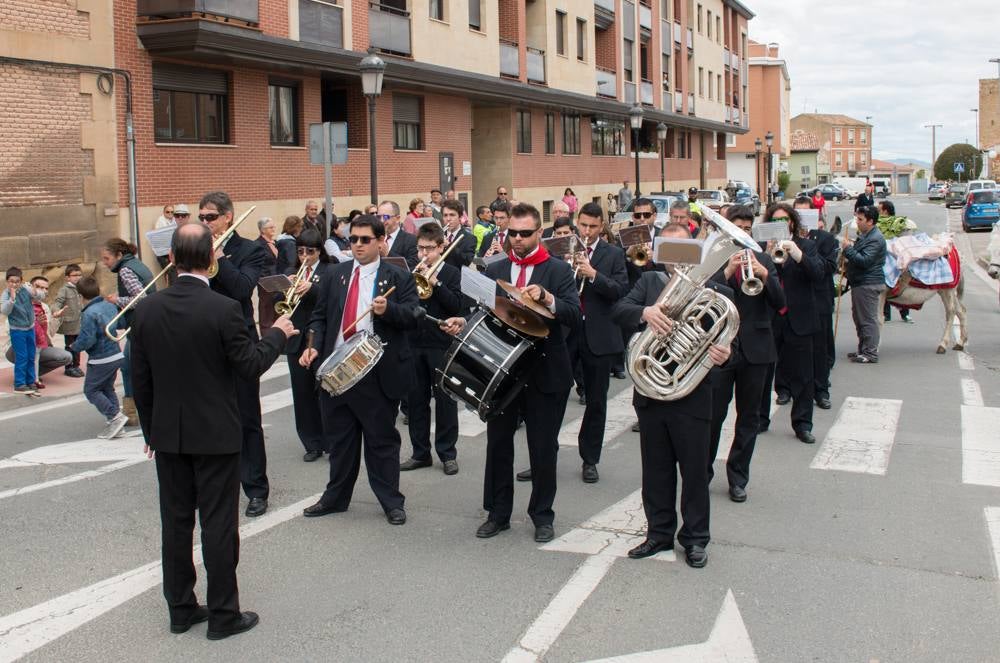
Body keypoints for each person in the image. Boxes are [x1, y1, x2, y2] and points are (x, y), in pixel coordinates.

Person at [131, 222, 295, 641]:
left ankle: (181, 608)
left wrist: (151, 433)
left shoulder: (146, 310)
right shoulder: (223, 309)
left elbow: (141, 380)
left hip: (169, 435)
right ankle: (224, 614)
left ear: (170, 260)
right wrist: (278, 334)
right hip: (217, 433)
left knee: (176, 523)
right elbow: (250, 365)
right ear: (212, 259)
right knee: (218, 525)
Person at [440, 203, 581, 543]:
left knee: (543, 447)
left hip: (546, 369)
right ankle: (498, 513)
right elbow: (481, 311)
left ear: (538, 233)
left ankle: (542, 516)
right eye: (513, 233)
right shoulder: (494, 267)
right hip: (502, 370)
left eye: (525, 233)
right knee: (499, 443)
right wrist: (463, 321)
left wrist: (547, 298)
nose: (517, 239)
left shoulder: (558, 270)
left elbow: (574, 316)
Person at [610, 224, 733, 568]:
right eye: (670, 248)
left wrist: (725, 357)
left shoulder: (717, 292)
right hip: (652, 394)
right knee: (656, 470)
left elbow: (729, 345)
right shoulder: (649, 283)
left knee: (694, 473)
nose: (677, 257)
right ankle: (659, 534)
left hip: (692, 396)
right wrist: (644, 312)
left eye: (684, 248)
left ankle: (695, 539)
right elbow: (618, 310)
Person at [299, 214, 418, 525]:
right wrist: (312, 344)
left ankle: (391, 500)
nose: (358, 246)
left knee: (381, 440)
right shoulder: (334, 275)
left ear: (380, 241)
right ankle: (335, 497)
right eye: (353, 239)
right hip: (337, 370)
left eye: (366, 240)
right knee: (340, 440)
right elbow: (320, 318)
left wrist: (388, 310)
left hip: (376, 372)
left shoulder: (398, 278)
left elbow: (413, 316)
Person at [200, 191, 272, 517]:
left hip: (239, 340)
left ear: (228, 216)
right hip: (203, 342)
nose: (205, 222)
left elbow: (243, 289)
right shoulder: (197, 248)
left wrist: (219, 259)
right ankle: (216, 484)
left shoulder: (249, 250)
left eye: (210, 216)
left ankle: (256, 488)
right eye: (201, 218)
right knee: (209, 418)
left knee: (247, 419)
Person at [708, 205, 784, 503]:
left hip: (758, 350)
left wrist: (765, 275)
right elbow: (706, 296)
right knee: (713, 415)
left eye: (747, 229)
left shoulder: (764, 259)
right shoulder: (716, 259)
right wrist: (727, 271)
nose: (743, 234)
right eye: (737, 229)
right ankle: (703, 471)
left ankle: (738, 476)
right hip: (722, 348)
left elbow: (780, 302)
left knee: (748, 418)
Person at [566, 203, 628, 482]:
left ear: (601, 227)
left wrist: (593, 275)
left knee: (596, 402)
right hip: (566, 333)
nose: (587, 231)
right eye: (583, 225)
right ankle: (542, 456)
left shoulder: (613, 254)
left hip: (598, 336)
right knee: (550, 398)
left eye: (592, 226)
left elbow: (619, 291)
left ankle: (589, 459)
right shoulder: (565, 250)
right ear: (577, 224)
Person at [400, 223, 463, 475]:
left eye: (428, 248)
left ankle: (448, 454)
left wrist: (436, 284)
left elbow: (456, 305)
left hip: (441, 344)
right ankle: (420, 453)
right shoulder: (409, 272)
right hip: (414, 342)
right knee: (416, 401)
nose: (423, 254)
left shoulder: (451, 272)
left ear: (441, 247)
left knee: (446, 400)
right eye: (420, 248)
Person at [767, 203, 824, 444]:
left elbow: (819, 273)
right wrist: (767, 256)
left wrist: (797, 255)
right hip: (770, 317)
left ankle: (802, 424)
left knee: (803, 376)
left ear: (792, 222)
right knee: (762, 373)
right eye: (775, 221)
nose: (781, 225)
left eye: (785, 220)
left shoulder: (807, 246)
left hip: (799, 318)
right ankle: (759, 418)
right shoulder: (761, 247)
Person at [276, 228, 332, 462]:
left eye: (310, 251)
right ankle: (311, 442)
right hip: (297, 337)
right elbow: (279, 302)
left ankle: (330, 441)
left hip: (320, 338)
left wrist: (313, 288)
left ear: (319, 251)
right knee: (302, 393)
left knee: (324, 391)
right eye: (300, 251)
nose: (305, 256)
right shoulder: (291, 272)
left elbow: (331, 297)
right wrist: (284, 289)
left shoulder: (329, 270)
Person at [102, 238, 155, 426]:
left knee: (129, 366)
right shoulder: (135, 263)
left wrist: (116, 300)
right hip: (146, 322)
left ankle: (133, 409)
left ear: (118, 255)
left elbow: (141, 298)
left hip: (140, 324)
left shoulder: (125, 269)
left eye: (107, 258)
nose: (105, 263)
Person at [792, 197, 839, 410]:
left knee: (820, 349)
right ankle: (787, 389)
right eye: (797, 214)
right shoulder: (788, 240)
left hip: (819, 300)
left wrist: (807, 253)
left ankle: (821, 391)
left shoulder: (826, 239)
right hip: (796, 303)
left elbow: (828, 267)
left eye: (805, 214)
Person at [70, 276, 128, 439]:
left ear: (80, 296)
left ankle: (115, 417)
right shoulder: (108, 305)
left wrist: (74, 347)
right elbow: (121, 322)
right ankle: (117, 425)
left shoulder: (89, 313)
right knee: (107, 388)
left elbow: (88, 339)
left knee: (91, 390)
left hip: (100, 358)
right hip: (116, 353)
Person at [842, 206, 887, 364]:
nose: (857, 222)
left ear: (870, 221)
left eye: (860, 220)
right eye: (857, 218)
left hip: (868, 282)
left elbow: (864, 261)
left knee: (867, 319)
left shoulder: (875, 238)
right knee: (859, 318)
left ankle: (870, 353)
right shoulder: (866, 235)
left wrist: (848, 249)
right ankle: (863, 349)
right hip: (861, 282)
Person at [24, 276, 72, 386]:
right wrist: (33, 322)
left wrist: (57, 317)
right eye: (38, 287)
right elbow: (11, 329)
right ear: (31, 288)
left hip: (38, 343)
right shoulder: (21, 303)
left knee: (66, 356)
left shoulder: (44, 307)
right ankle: (26, 376)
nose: (42, 291)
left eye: (45, 288)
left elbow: (49, 332)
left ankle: (32, 375)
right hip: (19, 346)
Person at [2, 267, 39, 394]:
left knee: (31, 355)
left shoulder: (25, 290)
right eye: (11, 281)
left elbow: (40, 297)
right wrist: (12, 299)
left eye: (17, 281)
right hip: (17, 330)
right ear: (7, 281)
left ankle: (31, 381)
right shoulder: (6, 294)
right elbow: (4, 310)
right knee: (22, 356)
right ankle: (19, 383)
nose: (14, 284)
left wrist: (34, 290)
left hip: (30, 328)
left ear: (21, 281)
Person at [54, 264, 85, 378]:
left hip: (79, 323)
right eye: (74, 275)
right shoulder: (64, 290)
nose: (77, 277)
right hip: (69, 324)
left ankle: (76, 366)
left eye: (79, 275)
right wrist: (56, 311)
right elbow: (58, 302)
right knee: (70, 345)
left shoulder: (82, 288)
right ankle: (69, 367)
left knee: (78, 345)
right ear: (67, 277)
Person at [255, 217, 279, 334]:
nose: (273, 229)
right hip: (266, 283)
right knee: (266, 310)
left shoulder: (275, 243)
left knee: (276, 309)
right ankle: (266, 335)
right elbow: (260, 265)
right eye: (270, 227)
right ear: (262, 230)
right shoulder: (257, 244)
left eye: (273, 226)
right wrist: (268, 280)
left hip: (278, 281)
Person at [378, 200, 419, 269]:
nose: (381, 220)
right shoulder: (374, 238)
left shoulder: (411, 240)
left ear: (397, 219)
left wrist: (388, 254)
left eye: (386, 217)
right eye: (379, 217)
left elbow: (412, 267)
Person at [440, 199, 476, 268]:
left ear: (460, 217)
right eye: (445, 215)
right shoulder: (439, 235)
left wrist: (448, 245)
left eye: (452, 215)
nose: (448, 219)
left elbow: (467, 261)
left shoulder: (470, 238)